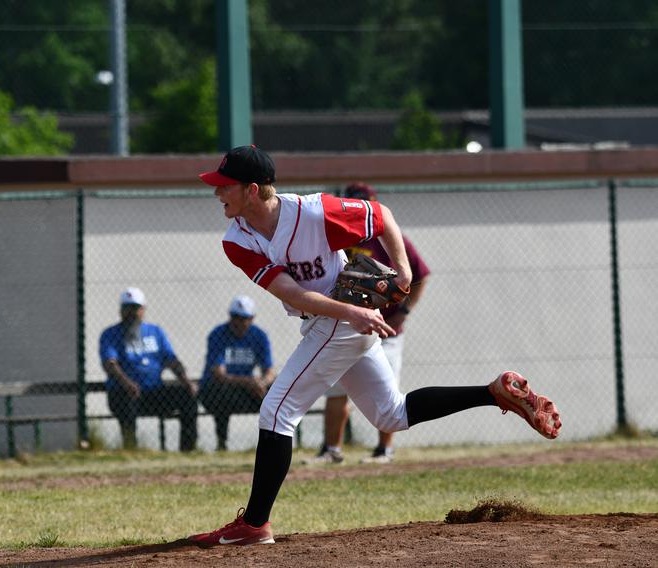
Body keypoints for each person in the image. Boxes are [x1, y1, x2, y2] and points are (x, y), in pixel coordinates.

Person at [189, 145, 561, 546]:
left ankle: (255, 524)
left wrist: (402, 269)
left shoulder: (313, 213)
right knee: (391, 415)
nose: (217, 193)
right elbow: (291, 293)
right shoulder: (237, 238)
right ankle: (494, 393)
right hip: (339, 317)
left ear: (253, 189)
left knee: (277, 412)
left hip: (340, 321)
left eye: (225, 186)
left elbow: (381, 217)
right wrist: (351, 313)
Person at [309, 182, 431, 465]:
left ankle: (383, 451)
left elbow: (420, 274)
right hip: (346, 326)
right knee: (337, 387)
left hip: (386, 328)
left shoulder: (388, 238)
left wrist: (405, 312)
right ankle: (332, 449)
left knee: (386, 392)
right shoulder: (337, 237)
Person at [99, 287, 198, 452]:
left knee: (187, 396)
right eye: (127, 308)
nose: (131, 313)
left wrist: (186, 380)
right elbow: (110, 364)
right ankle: (131, 449)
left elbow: (171, 359)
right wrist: (127, 383)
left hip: (153, 392)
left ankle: (188, 450)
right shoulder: (111, 334)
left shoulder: (155, 332)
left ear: (143, 310)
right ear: (120, 311)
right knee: (126, 400)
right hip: (124, 393)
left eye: (135, 308)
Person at [198, 295, 276, 451]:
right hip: (219, 390)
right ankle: (222, 443)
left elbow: (270, 371)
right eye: (236, 317)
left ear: (252, 318)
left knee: (278, 391)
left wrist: (262, 383)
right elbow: (219, 374)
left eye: (244, 318)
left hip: (248, 389)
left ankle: (273, 444)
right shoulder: (218, 334)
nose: (239, 322)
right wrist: (250, 382)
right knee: (221, 394)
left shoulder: (259, 336)